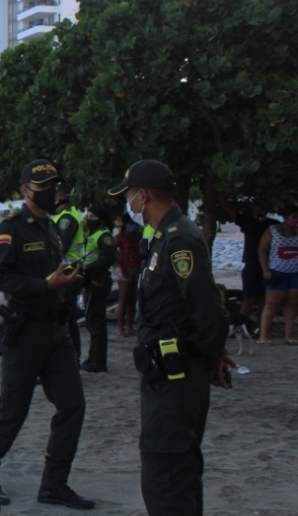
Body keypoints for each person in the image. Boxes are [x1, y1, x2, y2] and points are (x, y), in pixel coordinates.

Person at [109, 159, 235, 516]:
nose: (129, 204)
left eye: (130, 196)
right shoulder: (164, 237)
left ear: (144, 195)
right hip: (168, 372)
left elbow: (207, 310)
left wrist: (211, 355)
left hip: (176, 377)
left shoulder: (179, 241)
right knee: (176, 468)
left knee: (166, 471)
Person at [0, 159, 91, 510]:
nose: (53, 192)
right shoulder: (12, 229)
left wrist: (67, 276)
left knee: (73, 405)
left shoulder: (50, 228)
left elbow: (50, 272)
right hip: (24, 333)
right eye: (44, 187)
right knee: (13, 409)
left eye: (55, 185)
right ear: (25, 191)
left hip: (57, 331)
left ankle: (54, 485)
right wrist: (45, 284)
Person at [219, 199, 277, 333]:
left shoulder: (272, 224)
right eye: (257, 208)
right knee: (248, 297)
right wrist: (220, 196)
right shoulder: (247, 222)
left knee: (264, 297)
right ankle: (241, 325)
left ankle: (260, 326)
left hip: (268, 265)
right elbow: (230, 211)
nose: (259, 210)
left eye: (261, 208)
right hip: (251, 264)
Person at [79, 206, 117, 373]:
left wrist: (89, 266)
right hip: (90, 281)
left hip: (98, 281)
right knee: (91, 320)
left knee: (97, 322)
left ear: (100, 219)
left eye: (92, 216)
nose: (88, 219)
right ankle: (92, 357)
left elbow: (109, 259)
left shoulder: (105, 236)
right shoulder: (93, 234)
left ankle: (99, 360)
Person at [52, 187, 88, 359]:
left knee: (66, 322)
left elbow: (59, 247)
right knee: (66, 321)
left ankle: (72, 361)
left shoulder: (67, 218)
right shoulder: (61, 216)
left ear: (59, 197)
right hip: (66, 272)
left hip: (68, 273)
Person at [257, 207, 298, 344]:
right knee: (272, 304)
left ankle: (289, 336)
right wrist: (266, 270)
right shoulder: (272, 230)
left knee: (292, 304)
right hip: (276, 270)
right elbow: (262, 250)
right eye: (294, 217)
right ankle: (263, 336)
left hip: (295, 272)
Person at [114, 215, 144, 337]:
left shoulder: (139, 236)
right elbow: (111, 251)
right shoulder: (120, 236)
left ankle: (130, 326)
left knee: (133, 299)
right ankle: (121, 328)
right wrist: (120, 265)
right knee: (124, 297)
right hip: (124, 269)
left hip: (136, 268)